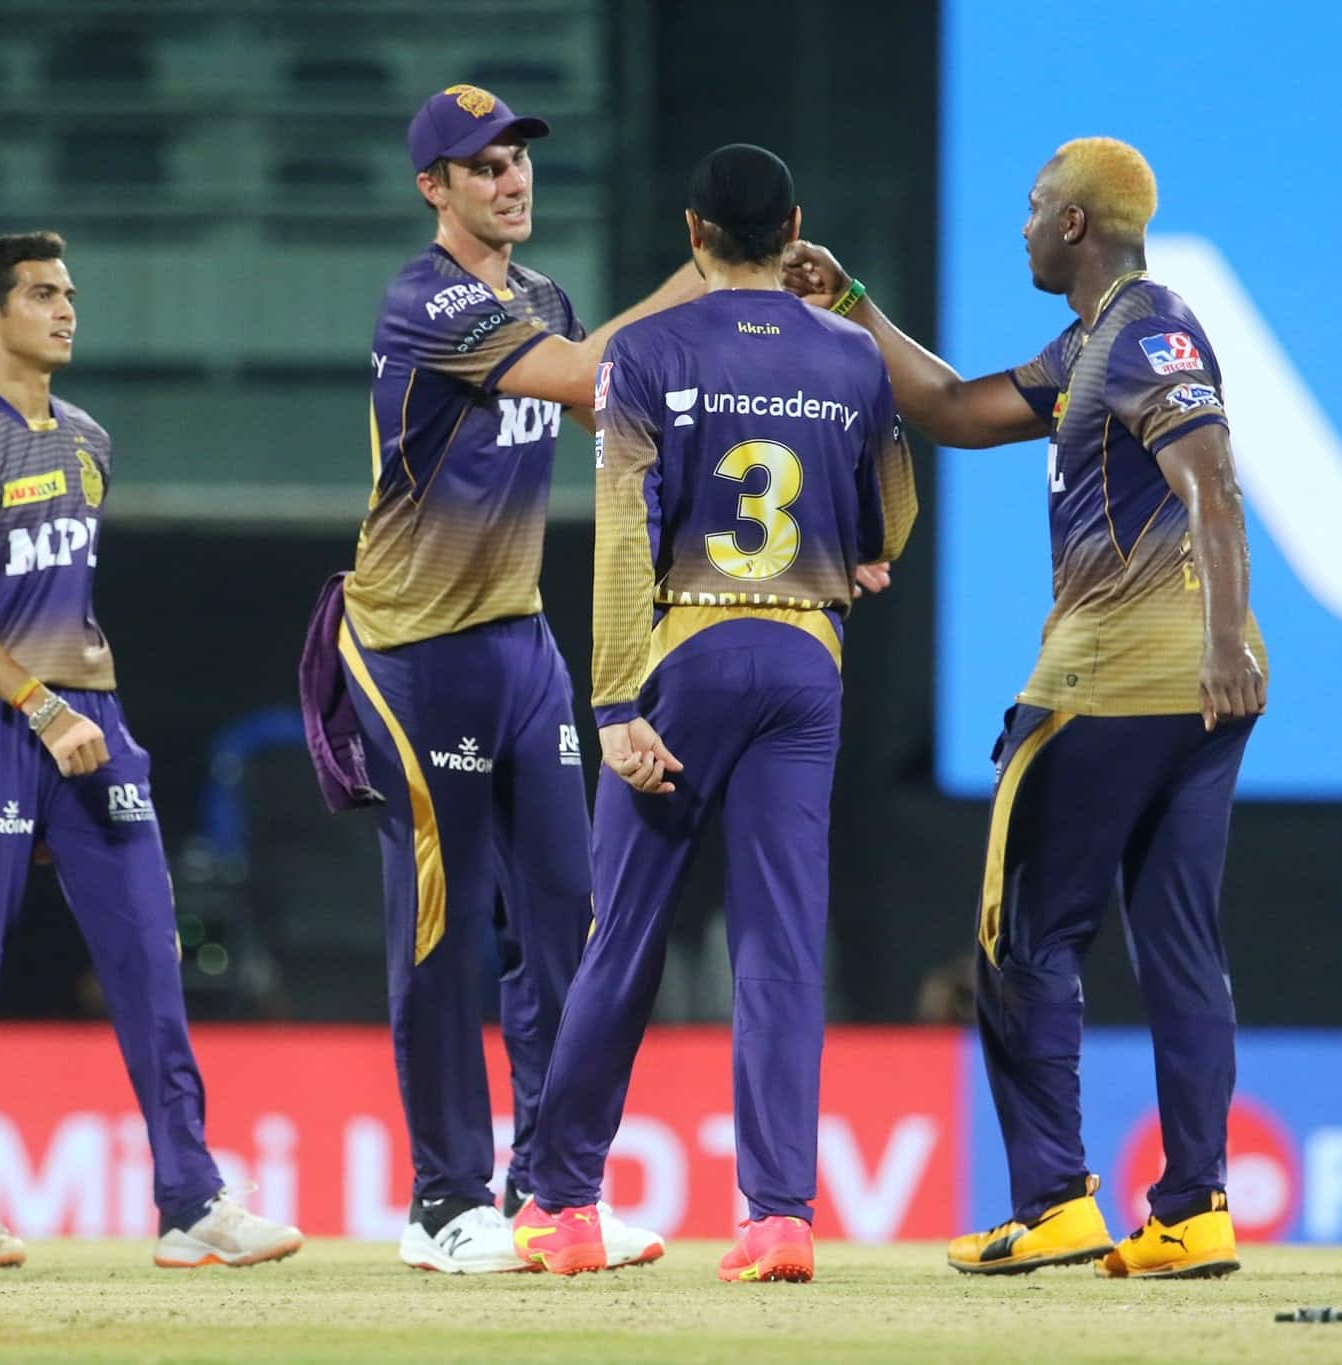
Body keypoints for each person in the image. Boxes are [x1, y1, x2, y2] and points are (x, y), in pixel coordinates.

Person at [787, 136, 1269, 1280]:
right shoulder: (1093, 343)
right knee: (1179, 946)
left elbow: (1211, 481)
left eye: (1031, 206)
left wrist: (1216, 638)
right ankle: (1192, 1209)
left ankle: (1054, 1199)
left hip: (1113, 679)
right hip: (1196, 690)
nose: (1017, 223)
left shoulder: (1147, 333)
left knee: (1020, 941)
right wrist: (852, 302)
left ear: (1072, 226)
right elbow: (952, 408)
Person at [510, 144, 917, 1284]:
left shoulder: (640, 351)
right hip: (804, 664)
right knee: (781, 949)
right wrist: (856, 551)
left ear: (692, 234)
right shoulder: (847, 351)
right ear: (793, 226)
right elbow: (892, 505)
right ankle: (776, 1219)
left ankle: (562, 1207)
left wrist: (612, 698)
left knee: (622, 941)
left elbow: (621, 533)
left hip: (682, 659)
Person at [318, 84, 697, 1274]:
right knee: (445, 932)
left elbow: (600, 390)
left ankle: (549, 1190)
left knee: (570, 918)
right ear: (433, 187)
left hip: (518, 642)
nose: (511, 179)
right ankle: (442, 1203)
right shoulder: (422, 299)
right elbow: (587, 380)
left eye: (519, 158)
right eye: (483, 166)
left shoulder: (540, 295)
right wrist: (714, 278)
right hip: (411, 649)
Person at [0, 232, 302, 1269]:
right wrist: (39, 708)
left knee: (150, 959)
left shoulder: (88, 438)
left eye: (69, 293)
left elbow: (57, 598)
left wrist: (75, 714)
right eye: (40, 294)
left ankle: (190, 1201)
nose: (65, 310)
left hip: (92, 724)